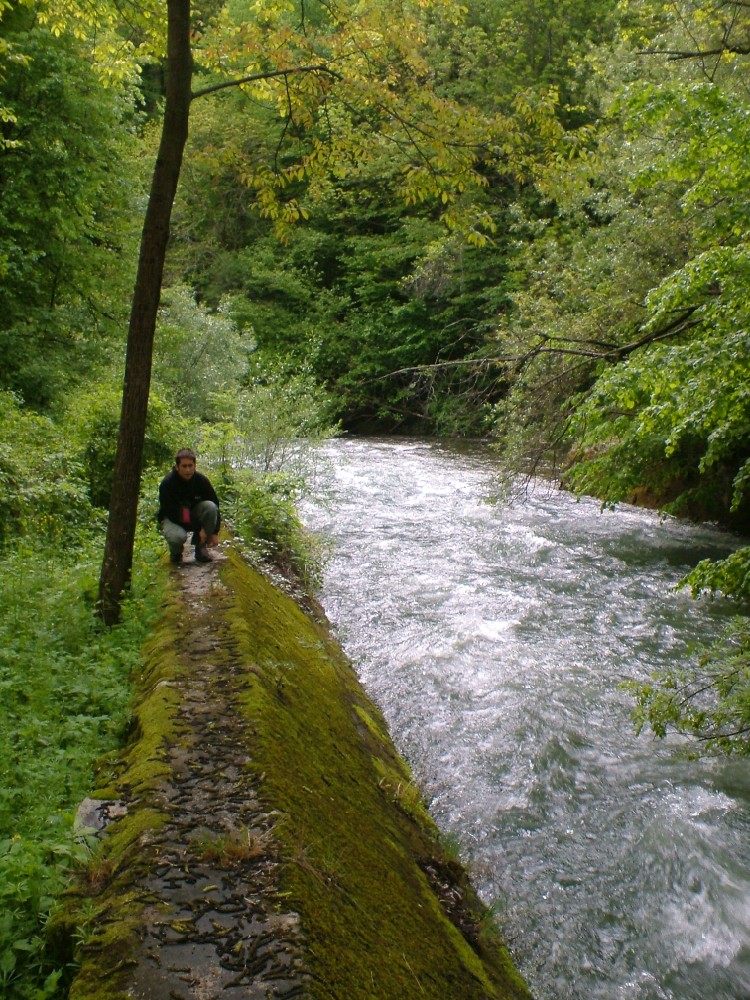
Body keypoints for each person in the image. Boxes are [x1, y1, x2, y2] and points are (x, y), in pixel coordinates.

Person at [158, 448, 221, 564]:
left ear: (195, 465)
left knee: (210, 507)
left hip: (192, 513)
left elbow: (215, 504)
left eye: (190, 466)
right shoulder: (167, 484)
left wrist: (214, 532)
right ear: (177, 467)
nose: (188, 470)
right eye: (184, 466)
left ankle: (200, 547)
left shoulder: (201, 481)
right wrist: (198, 529)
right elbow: (173, 514)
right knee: (177, 537)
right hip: (174, 518)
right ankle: (176, 553)